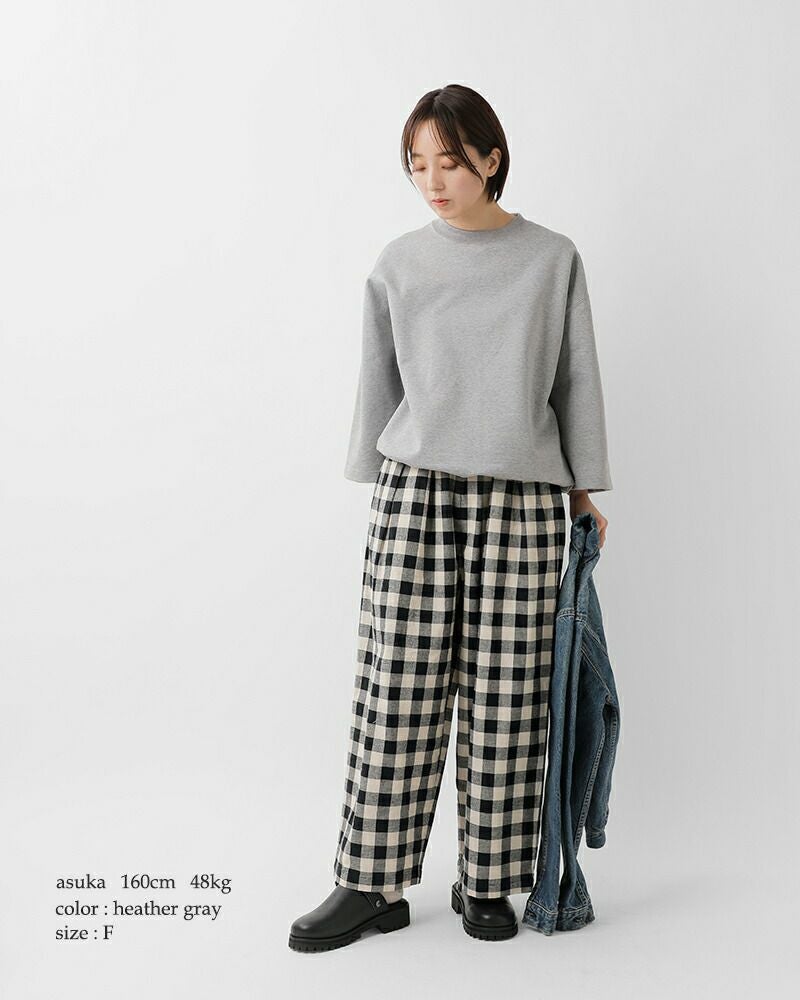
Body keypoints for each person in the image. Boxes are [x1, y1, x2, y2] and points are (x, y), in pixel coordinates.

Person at [288, 83, 612, 953]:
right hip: (417, 495)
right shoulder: (399, 263)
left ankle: (488, 880)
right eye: (417, 164)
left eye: (450, 161)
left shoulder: (551, 259)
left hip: (524, 497)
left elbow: (575, 379)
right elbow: (379, 381)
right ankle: (372, 882)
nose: (432, 180)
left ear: (491, 159)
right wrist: (376, 481)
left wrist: (583, 490)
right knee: (395, 690)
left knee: (510, 698)